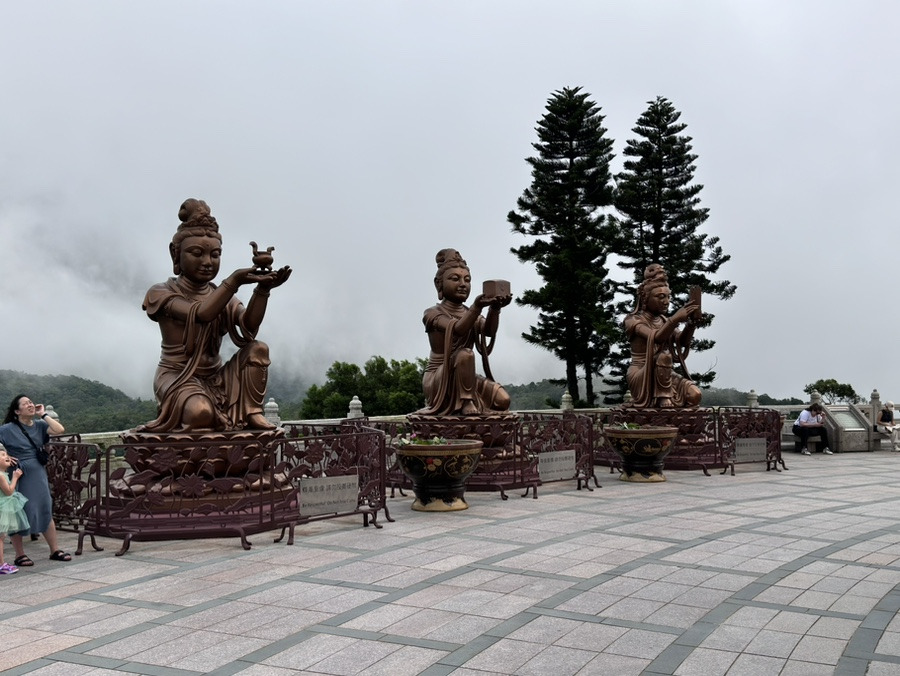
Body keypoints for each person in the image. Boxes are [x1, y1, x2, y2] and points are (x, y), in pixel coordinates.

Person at [138, 199, 291, 432]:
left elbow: (248, 327)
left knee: (258, 348)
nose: (207, 262)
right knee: (200, 413)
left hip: (218, 378)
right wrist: (234, 281)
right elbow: (201, 313)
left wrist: (263, 290)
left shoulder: (221, 295)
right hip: (178, 377)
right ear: (175, 254)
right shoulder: (161, 292)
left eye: (215, 255)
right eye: (197, 253)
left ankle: (252, 412)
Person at [419, 248, 512, 416]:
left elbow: (488, 331)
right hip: (440, 378)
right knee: (465, 354)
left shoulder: (470, 313)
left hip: (466, 377)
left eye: (467, 280)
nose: (463, 284)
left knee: (503, 400)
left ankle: (470, 402)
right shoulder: (432, 313)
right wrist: (476, 308)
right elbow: (457, 329)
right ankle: (466, 401)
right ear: (439, 284)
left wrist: (495, 309)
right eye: (455, 279)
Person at [0, 395, 71, 566]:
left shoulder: (40, 425)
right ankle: (19, 554)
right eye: (26, 404)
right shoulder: (8, 429)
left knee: (45, 507)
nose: (30, 405)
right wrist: (5, 455)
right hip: (18, 473)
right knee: (18, 510)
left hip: (38, 472)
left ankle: (54, 550)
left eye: (31, 402)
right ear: (17, 411)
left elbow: (59, 429)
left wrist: (43, 414)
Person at [623, 265, 702, 408]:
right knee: (664, 356)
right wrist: (675, 319)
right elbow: (656, 338)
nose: (666, 301)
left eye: (668, 296)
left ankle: (667, 400)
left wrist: (691, 325)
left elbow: (682, 341)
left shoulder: (664, 320)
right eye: (660, 297)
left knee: (695, 395)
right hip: (642, 373)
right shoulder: (633, 320)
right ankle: (663, 398)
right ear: (645, 298)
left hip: (664, 373)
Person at [0, 446, 29, 574]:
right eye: (2, 455)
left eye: (6, 454)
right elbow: (9, 491)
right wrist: (15, 477)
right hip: (3, 507)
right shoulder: (1, 476)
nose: (6, 457)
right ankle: (1, 564)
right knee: (1, 537)